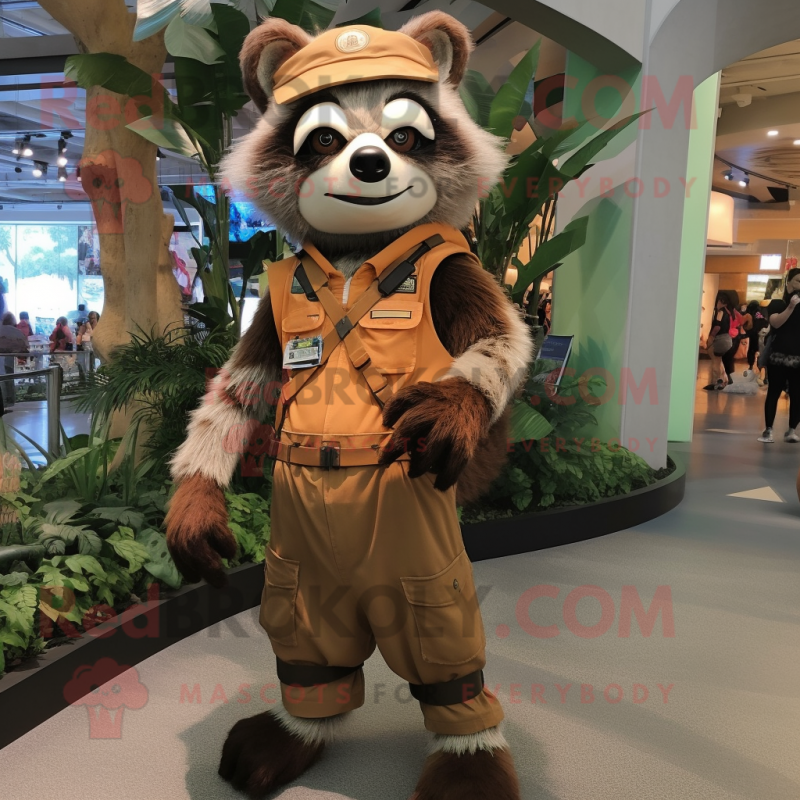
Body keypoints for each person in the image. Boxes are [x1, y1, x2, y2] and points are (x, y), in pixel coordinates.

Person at [758, 268, 800, 443]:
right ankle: (768, 430)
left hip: (798, 357)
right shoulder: (778, 303)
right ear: (788, 282)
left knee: (797, 394)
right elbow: (775, 322)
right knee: (774, 392)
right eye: (798, 281)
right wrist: (791, 306)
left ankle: (791, 430)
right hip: (778, 357)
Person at [0, 312, 29, 409]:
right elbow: (25, 348)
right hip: (10, 360)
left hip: (2, 360)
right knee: (9, 379)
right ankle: (10, 402)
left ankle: (3, 403)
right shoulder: (17, 332)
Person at [704, 292, 733, 389]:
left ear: (722, 302)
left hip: (720, 339)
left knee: (715, 361)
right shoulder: (729, 313)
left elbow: (717, 326)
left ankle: (716, 382)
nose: (717, 303)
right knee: (719, 361)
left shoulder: (720, 312)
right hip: (727, 339)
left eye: (719, 301)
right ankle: (724, 379)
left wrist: (711, 337)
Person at [744, 300, 768, 379]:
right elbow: (765, 322)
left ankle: (751, 366)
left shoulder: (750, 313)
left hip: (753, 334)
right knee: (761, 351)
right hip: (761, 334)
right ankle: (761, 369)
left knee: (751, 350)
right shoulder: (760, 313)